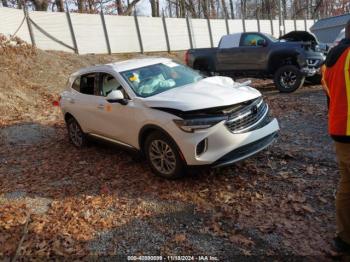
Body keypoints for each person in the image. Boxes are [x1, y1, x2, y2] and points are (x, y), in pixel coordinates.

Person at [321, 19, 350, 253]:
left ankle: (344, 237)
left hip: (339, 130)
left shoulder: (332, 59)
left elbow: (330, 95)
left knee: (346, 185)